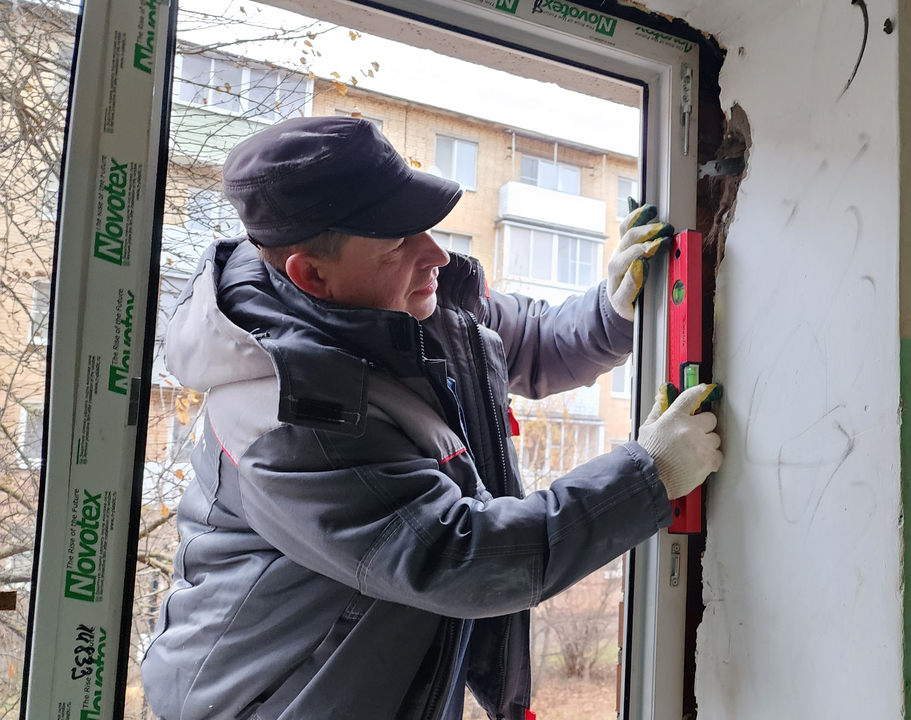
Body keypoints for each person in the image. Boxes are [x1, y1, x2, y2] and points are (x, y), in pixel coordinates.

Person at [140, 116, 722, 720]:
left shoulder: (402, 303)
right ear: (312, 275)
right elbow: (458, 556)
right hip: (279, 700)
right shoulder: (288, 419)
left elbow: (528, 342)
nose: (437, 253)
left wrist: (614, 307)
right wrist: (648, 475)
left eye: (424, 226)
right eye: (398, 243)